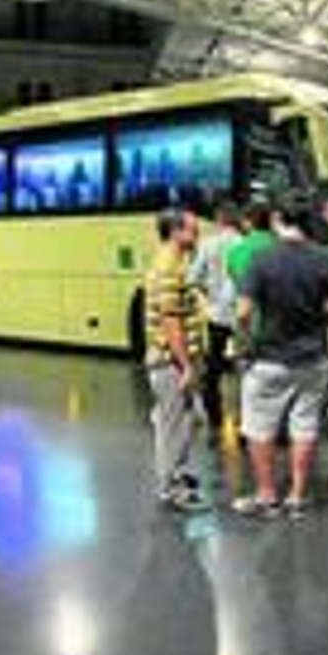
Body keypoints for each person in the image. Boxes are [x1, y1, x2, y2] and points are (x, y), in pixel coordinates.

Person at [233, 193, 328, 518]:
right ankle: (297, 496)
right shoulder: (323, 259)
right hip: (313, 359)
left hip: (268, 358)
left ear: (276, 220)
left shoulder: (262, 259)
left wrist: (243, 343)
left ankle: (267, 494)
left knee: (259, 427)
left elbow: (243, 312)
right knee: (305, 425)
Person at [142, 208, 212, 514]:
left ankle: (176, 472)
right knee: (175, 423)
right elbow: (171, 323)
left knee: (182, 419)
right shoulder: (169, 267)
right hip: (171, 362)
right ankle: (170, 488)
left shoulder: (172, 262)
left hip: (172, 360)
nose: (198, 234)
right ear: (175, 232)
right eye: (192, 229)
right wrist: (185, 365)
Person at [191, 201, 243, 448]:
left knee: (214, 365)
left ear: (219, 220)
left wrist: (209, 297)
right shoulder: (244, 244)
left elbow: (194, 278)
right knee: (245, 366)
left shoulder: (208, 244)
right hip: (242, 314)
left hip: (216, 314)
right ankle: (246, 418)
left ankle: (214, 416)